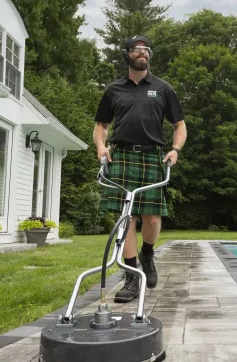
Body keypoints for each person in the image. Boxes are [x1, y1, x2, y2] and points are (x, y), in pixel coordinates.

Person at [93, 35, 187, 303]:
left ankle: (148, 253)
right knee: (126, 218)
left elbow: (179, 124)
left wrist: (175, 150)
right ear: (127, 55)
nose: (142, 52)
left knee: (153, 219)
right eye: (137, 49)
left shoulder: (162, 88)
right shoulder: (113, 90)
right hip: (121, 156)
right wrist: (101, 147)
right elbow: (101, 126)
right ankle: (132, 275)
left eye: (146, 49)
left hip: (153, 156)